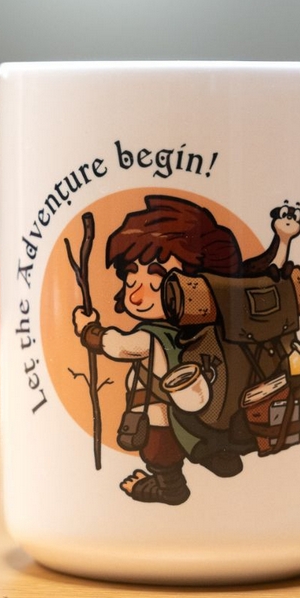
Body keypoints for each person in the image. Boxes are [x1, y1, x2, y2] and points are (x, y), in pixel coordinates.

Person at [72, 195, 241, 505]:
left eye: (155, 283)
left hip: (160, 413)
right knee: (179, 438)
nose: (137, 295)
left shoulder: (150, 337)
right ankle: (211, 455)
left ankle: (169, 486)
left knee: (158, 449)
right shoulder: (198, 332)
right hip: (190, 408)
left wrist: (89, 331)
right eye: (130, 279)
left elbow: (118, 346)